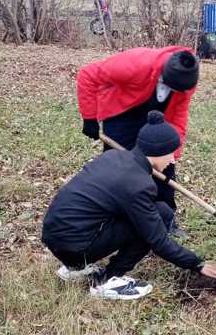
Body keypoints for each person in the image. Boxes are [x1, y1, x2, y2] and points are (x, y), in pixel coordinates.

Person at [41, 111, 216, 300]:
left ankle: (74, 269)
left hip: (55, 237)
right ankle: (106, 280)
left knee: (148, 212)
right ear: (157, 152)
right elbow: (158, 241)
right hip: (74, 248)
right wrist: (198, 264)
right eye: (170, 154)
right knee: (160, 215)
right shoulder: (138, 185)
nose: (172, 160)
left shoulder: (114, 156)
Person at [76, 46, 199, 235]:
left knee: (165, 169)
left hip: (156, 116)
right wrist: (89, 117)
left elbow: (179, 116)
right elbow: (88, 75)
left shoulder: (187, 82)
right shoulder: (136, 63)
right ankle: (114, 219)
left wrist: (172, 153)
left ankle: (166, 220)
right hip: (122, 113)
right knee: (117, 168)